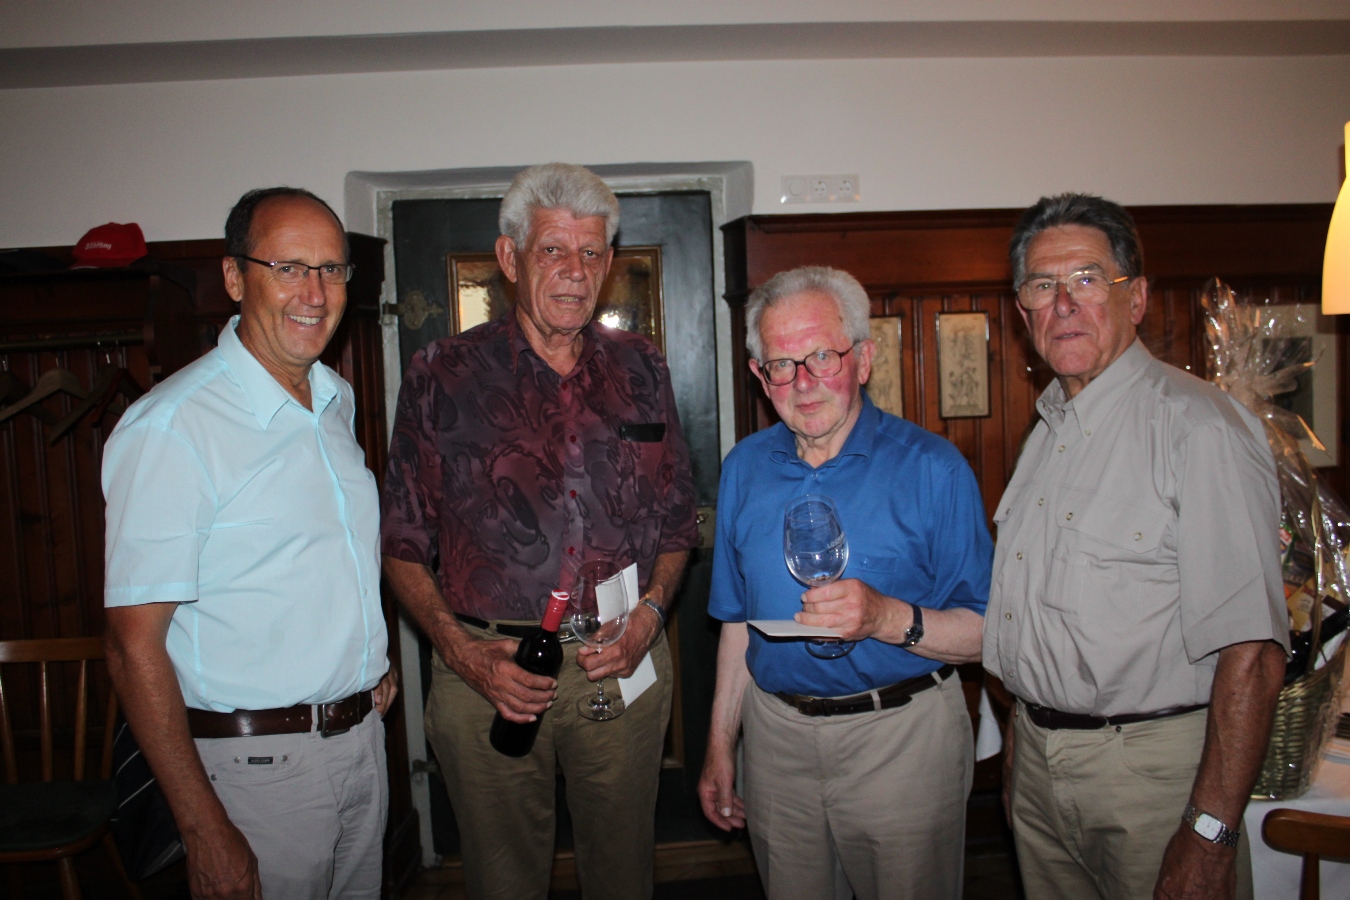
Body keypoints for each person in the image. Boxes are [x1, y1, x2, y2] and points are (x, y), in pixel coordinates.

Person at [381, 163, 698, 900]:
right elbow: (400, 541)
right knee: (503, 882)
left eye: (590, 253)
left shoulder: (643, 368)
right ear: (509, 258)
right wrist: (460, 653)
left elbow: (679, 520)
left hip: (621, 660)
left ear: (608, 264)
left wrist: (650, 618)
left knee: (623, 877)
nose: (574, 272)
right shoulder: (441, 373)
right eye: (552, 250)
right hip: (487, 672)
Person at [984, 193, 1288, 900]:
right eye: (1042, 285)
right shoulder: (1047, 434)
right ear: (1024, 312)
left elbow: (1253, 655)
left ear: (1138, 298)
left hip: (1152, 779)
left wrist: (1209, 835)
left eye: (1087, 279)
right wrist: (1028, 743)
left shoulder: (1199, 429)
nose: (1064, 304)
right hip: (1040, 768)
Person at [103, 187, 398, 900]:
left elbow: (319, 561)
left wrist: (366, 662)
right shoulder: (174, 426)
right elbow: (132, 646)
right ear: (235, 277)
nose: (315, 293)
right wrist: (203, 826)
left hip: (362, 746)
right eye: (288, 268)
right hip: (254, 774)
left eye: (331, 270)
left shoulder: (334, 399)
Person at [697, 265, 992, 900]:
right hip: (775, 744)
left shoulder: (934, 469)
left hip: (901, 741)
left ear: (863, 358)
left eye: (822, 357)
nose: (802, 383)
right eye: (781, 364)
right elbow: (737, 624)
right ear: (759, 376)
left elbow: (989, 632)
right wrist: (721, 744)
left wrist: (886, 618)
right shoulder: (744, 468)